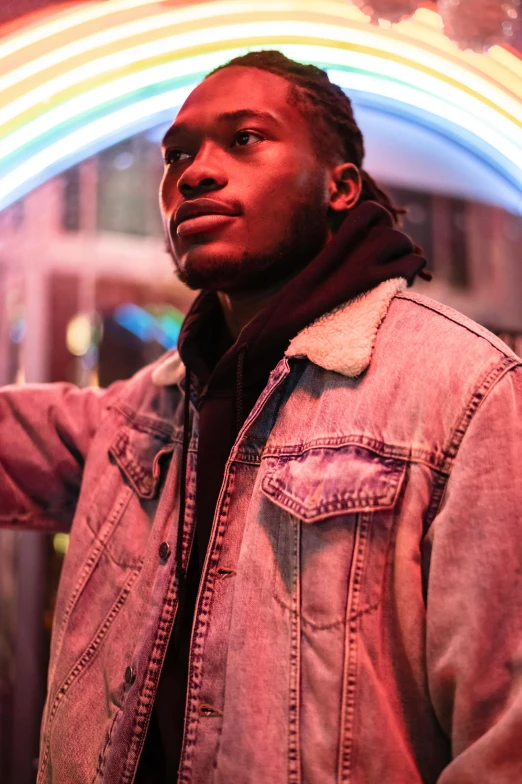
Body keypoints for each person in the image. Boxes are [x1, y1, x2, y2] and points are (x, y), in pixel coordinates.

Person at [1, 50, 521, 784]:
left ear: (340, 188)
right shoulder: (148, 410)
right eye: (177, 154)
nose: (195, 172)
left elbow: (506, 738)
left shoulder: (462, 390)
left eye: (244, 138)